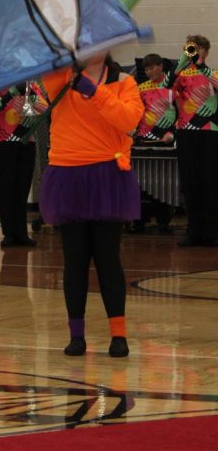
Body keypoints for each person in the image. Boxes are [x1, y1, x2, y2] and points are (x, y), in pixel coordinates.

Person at [40, 54, 142, 358]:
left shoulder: (124, 81)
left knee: (108, 258)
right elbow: (45, 61)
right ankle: (77, 336)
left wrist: (94, 91)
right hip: (67, 173)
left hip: (106, 175)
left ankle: (118, 335)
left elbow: (128, 120)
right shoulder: (61, 77)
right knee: (75, 261)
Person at [165, 36, 218, 246]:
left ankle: (213, 232)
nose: (195, 52)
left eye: (199, 49)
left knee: (211, 181)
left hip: (210, 133)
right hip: (186, 132)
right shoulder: (181, 75)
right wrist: (180, 62)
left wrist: (201, 66)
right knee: (189, 182)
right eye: (191, 49)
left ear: (206, 51)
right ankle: (194, 231)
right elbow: (166, 87)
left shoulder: (212, 73)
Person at [0, 81, 47, 247]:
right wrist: (11, 92)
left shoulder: (31, 84)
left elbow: (46, 109)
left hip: (27, 142)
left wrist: (31, 95)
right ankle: (9, 233)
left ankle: (21, 232)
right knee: (6, 188)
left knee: (22, 187)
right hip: (2, 142)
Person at [133, 53, 175, 233]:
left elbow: (180, 113)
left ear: (161, 66)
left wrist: (172, 134)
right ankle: (139, 220)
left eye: (152, 68)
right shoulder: (141, 88)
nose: (149, 72)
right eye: (146, 69)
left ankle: (163, 221)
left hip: (166, 138)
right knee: (140, 182)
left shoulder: (173, 86)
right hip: (144, 137)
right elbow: (135, 112)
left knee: (164, 181)